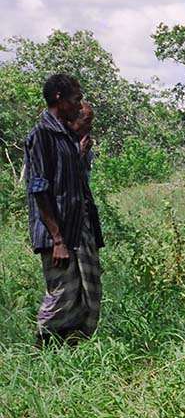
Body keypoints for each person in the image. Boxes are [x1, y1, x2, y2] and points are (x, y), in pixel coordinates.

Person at [24, 75, 104, 346]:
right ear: (59, 97)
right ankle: (40, 353)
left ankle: (73, 350)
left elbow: (74, 186)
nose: (78, 105)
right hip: (56, 233)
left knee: (87, 295)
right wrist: (58, 239)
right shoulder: (41, 135)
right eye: (76, 99)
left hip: (78, 228)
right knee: (61, 296)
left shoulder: (68, 137)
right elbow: (39, 188)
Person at [68, 101, 96, 180]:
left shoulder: (84, 147)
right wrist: (81, 154)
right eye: (87, 121)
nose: (90, 127)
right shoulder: (58, 145)